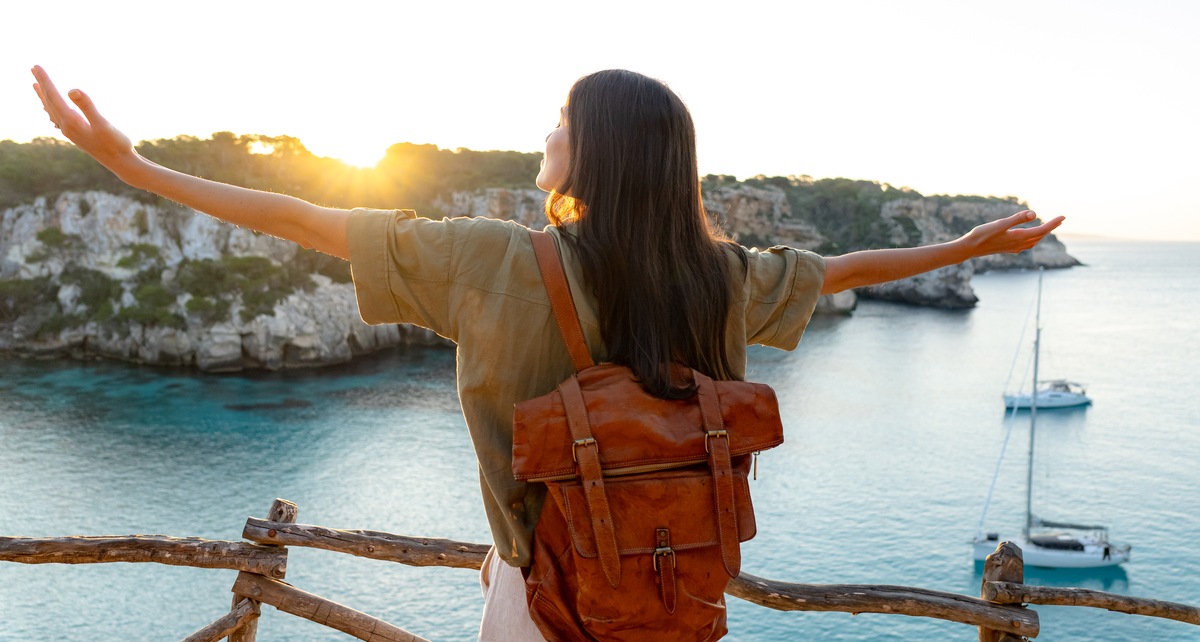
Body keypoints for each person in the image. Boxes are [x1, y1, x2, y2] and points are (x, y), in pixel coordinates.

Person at [29, 65, 1064, 641]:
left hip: (548, 590)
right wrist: (966, 245)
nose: (544, 134)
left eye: (559, 121)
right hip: (675, 592)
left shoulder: (495, 260)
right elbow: (843, 269)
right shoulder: (719, 274)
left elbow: (306, 217)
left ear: (593, 150)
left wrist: (136, 165)